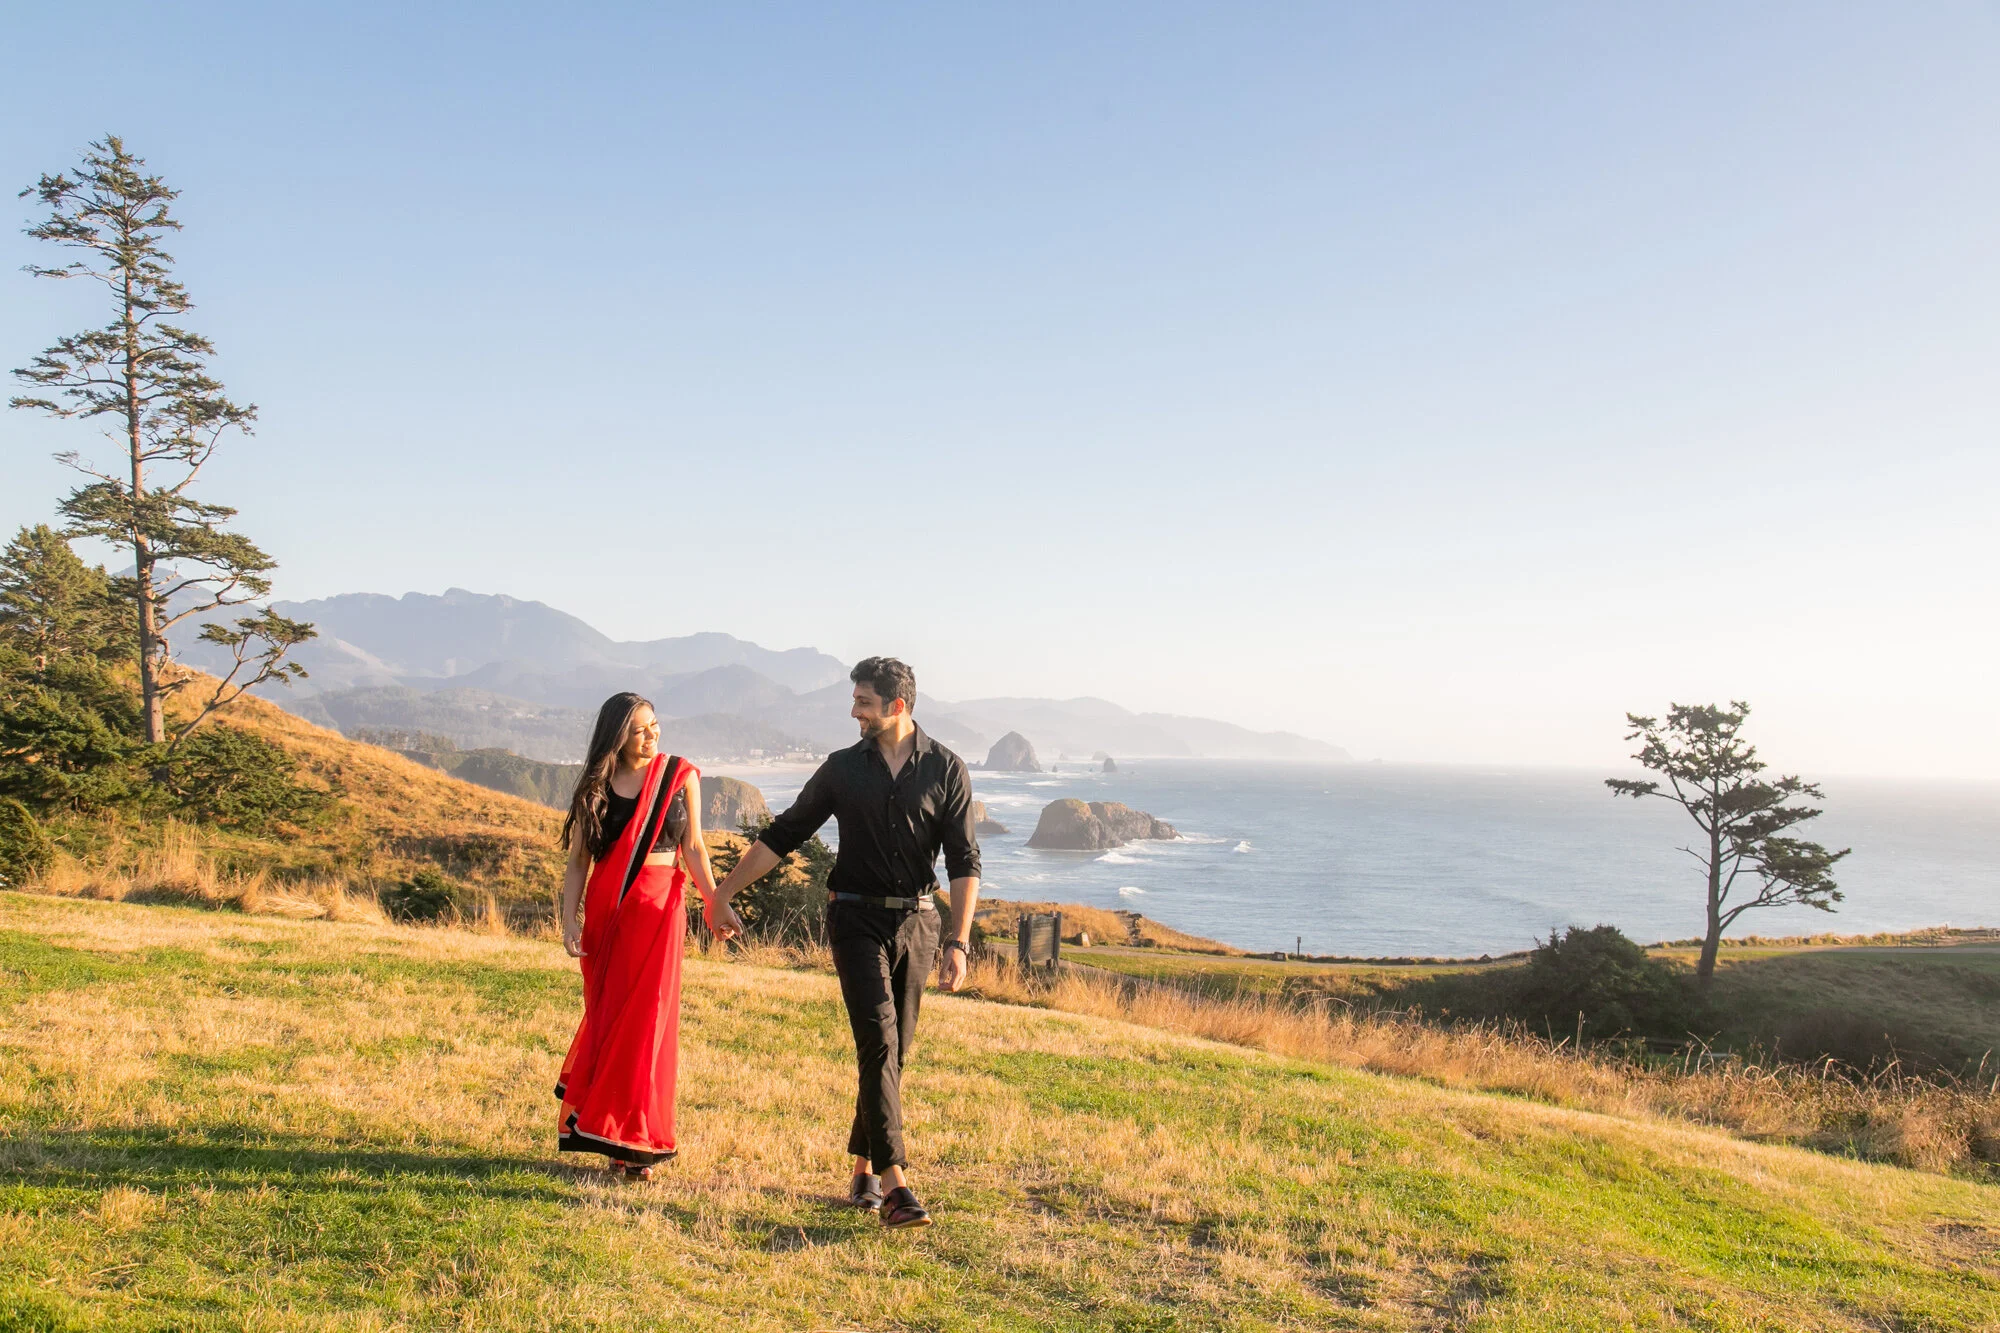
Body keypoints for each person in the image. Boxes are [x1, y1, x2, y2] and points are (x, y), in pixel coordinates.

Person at [713, 656, 980, 1229]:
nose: (853, 711)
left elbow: (964, 861)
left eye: (863, 702)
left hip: (919, 923)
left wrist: (958, 941)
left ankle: (861, 1166)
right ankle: (896, 1185)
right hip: (853, 919)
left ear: (896, 707)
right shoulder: (841, 769)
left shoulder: (947, 770)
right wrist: (722, 892)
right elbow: (785, 832)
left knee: (895, 1052)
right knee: (879, 1040)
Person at [555, 691, 743, 1180]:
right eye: (639, 728)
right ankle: (606, 1129)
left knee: (649, 1026)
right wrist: (568, 919)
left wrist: (714, 901)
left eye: (654, 724)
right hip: (609, 914)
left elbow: (695, 847)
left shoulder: (680, 776)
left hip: (661, 913)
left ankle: (636, 1139)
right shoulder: (595, 790)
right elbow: (578, 862)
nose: (651, 734)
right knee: (610, 1019)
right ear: (618, 736)